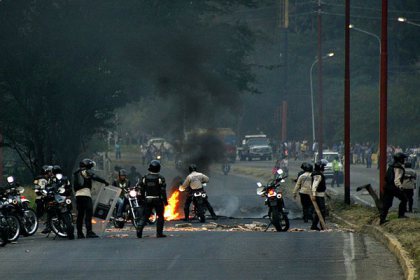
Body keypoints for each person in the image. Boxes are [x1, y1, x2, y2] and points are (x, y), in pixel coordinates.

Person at [73, 158, 109, 238]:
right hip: (85, 194)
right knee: (89, 213)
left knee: (80, 215)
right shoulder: (86, 171)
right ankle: (89, 232)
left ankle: (79, 233)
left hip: (78, 195)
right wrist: (104, 181)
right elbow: (94, 176)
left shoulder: (76, 172)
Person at [137, 160, 168, 238]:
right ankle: (159, 233)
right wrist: (165, 201)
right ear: (158, 168)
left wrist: (142, 199)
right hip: (158, 200)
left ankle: (139, 229)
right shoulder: (160, 178)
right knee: (160, 216)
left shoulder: (145, 178)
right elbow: (163, 191)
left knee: (145, 216)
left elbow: (141, 190)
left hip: (148, 199)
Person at [380, 153, 408, 225]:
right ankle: (401, 215)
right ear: (400, 159)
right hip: (394, 187)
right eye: (403, 159)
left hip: (387, 187)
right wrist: (400, 187)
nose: (404, 160)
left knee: (387, 204)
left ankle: (382, 219)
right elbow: (396, 180)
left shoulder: (391, 166)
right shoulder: (399, 168)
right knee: (404, 199)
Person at [310, 161, 327, 231]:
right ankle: (322, 226)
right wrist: (314, 195)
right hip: (318, 195)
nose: (324, 168)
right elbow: (314, 186)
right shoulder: (318, 175)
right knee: (322, 211)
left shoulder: (318, 174)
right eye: (323, 167)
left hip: (320, 194)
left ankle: (314, 225)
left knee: (319, 211)